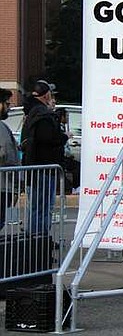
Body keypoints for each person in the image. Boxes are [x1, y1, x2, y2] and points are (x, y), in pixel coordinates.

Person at [21, 80, 67, 237]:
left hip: (34, 167)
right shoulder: (43, 114)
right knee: (42, 207)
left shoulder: (31, 112)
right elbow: (48, 138)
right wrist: (64, 137)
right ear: (46, 94)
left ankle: (36, 240)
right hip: (44, 169)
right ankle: (39, 241)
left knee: (36, 206)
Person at [0, 88, 21, 230]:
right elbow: (6, 154)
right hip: (2, 183)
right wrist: (15, 184)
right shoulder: (1, 128)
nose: (9, 108)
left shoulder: (3, 126)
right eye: (7, 104)